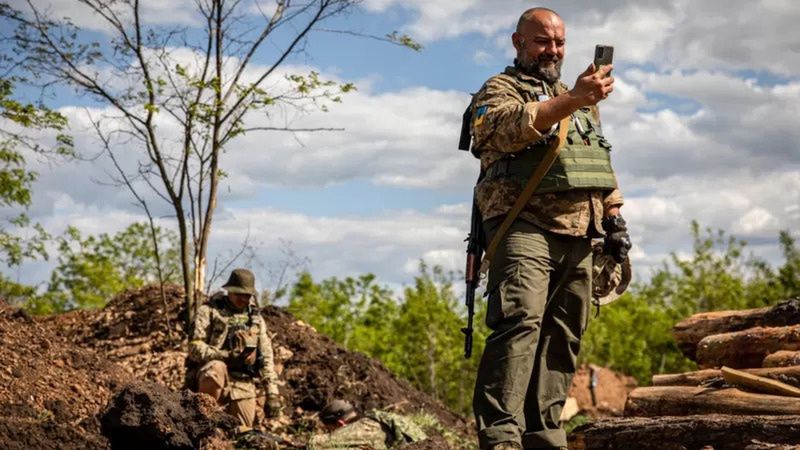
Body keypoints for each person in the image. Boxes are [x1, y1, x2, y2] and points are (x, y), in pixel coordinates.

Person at [466, 7, 631, 450]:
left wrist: (614, 215)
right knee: (520, 321)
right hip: (524, 224)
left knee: (564, 334)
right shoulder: (499, 89)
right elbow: (501, 130)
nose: (552, 50)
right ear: (518, 42)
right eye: (542, 41)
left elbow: (598, 159)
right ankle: (501, 437)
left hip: (581, 231)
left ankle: (545, 435)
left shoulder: (577, 96)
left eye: (559, 42)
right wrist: (573, 99)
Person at [187, 268, 281, 431]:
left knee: (241, 432)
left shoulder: (256, 320)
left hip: (242, 385)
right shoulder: (209, 311)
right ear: (229, 291)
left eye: (247, 295)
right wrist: (226, 356)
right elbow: (194, 347)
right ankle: (202, 419)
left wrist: (272, 393)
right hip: (211, 375)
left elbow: (266, 357)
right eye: (239, 294)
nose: (243, 299)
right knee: (216, 368)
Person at [307, 399, 426, 450]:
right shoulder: (378, 419)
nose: (333, 434)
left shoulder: (361, 428)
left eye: (331, 430)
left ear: (340, 423)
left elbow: (314, 444)